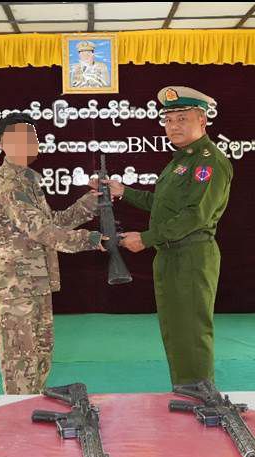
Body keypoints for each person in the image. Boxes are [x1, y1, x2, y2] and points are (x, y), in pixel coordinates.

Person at [94, 86, 233, 386]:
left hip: (191, 256)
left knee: (191, 332)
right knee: (176, 331)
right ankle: (185, 390)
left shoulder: (208, 161)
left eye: (182, 118)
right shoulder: (181, 161)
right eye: (169, 120)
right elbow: (161, 204)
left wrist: (146, 238)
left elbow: (195, 216)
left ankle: (201, 395)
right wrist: (123, 191)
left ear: (202, 120)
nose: (173, 126)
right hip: (171, 255)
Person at [0, 114, 105, 394]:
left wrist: (92, 201)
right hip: (16, 288)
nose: (30, 143)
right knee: (21, 364)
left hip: (34, 283)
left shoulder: (27, 180)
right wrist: (91, 239)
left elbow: (53, 222)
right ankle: (18, 416)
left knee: (39, 358)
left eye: (32, 137)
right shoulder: (8, 183)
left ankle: (31, 410)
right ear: (2, 144)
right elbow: (40, 230)